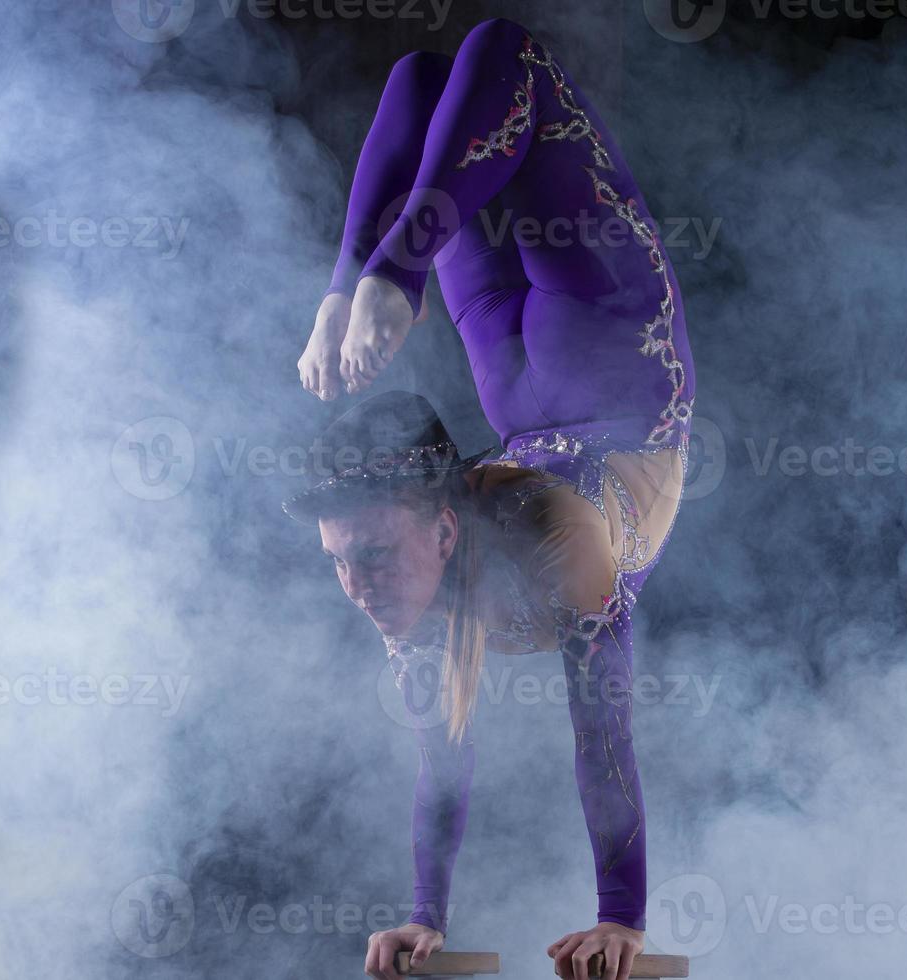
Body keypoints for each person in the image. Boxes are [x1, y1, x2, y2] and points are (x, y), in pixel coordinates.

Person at [289, 17, 697, 980]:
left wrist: (621, 918)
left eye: (372, 558)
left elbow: (603, 737)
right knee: (433, 82)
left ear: (440, 525)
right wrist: (425, 915)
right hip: (551, 380)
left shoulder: (557, 541)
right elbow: (441, 766)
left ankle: (379, 273)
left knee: (495, 54)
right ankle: (370, 273)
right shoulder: (407, 585)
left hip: (616, 370)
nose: (357, 586)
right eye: (338, 562)